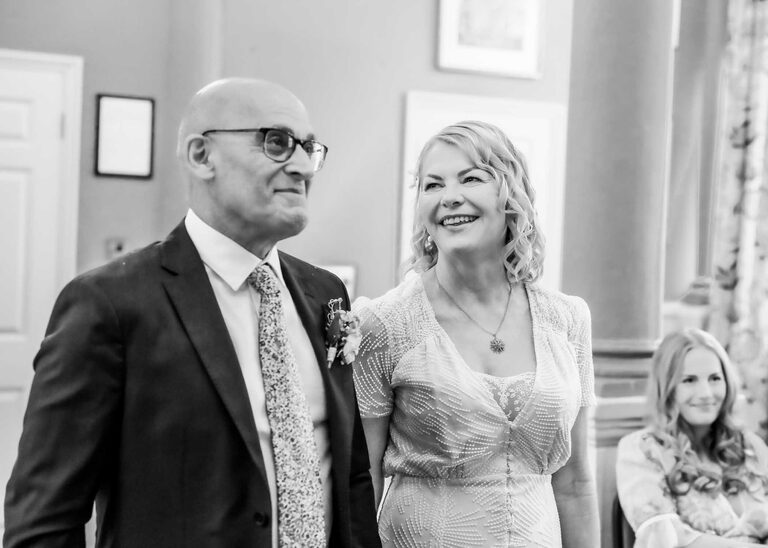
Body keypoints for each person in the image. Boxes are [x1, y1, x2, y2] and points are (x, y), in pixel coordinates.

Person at [4, 78, 380, 548]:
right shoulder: (110, 304)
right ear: (202, 155)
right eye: (277, 142)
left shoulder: (325, 293)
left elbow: (350, 476)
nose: (303, 166)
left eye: (309, 148)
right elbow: (44, 521)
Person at [352, 120, 599, 547]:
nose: (449, 196)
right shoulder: (385, 323)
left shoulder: (568, 319)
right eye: (433, 184)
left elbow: (575, 483)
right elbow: (363, 478)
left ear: (512, 194)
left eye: (471, 178)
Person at [616, 328, 768, 547]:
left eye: (715, 378)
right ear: (667, 388)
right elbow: (664, 538)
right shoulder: (641, 449)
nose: (706, 393)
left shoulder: (749, 445)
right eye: (689, 380)